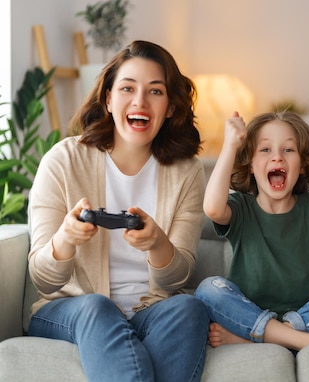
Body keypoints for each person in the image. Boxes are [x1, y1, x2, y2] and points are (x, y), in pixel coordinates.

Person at [27, 40, 209, 382]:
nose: (140, 101)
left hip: (149, 312)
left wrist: (157, 244)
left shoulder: (187, 171)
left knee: (189, 306)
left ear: (170, 107)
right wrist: (65, 238)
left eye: (155, 91)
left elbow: (179, 277)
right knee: (98, 307)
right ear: (108, 99)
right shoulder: (62, 161)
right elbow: (43, 278)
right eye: (127, 88)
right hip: (72, 309)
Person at [195, 111, 309, 351]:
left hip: (304, 315)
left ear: (301, 166)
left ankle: (260, 337)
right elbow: (213, 209)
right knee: (208, 289)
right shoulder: (241, 207)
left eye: (288, 150)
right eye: (265, 150)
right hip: (249, 311)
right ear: (250, 166)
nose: (277, 157)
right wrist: (230, 146)